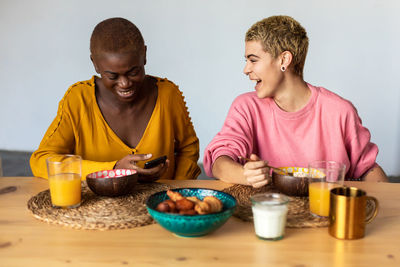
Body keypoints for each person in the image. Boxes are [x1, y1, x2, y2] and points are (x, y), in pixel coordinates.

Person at [203, 15, 388, 188]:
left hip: (325, 214)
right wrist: (245, 175)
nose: (246, 69)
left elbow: (367, 169)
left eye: (253, 60)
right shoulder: (245, 107)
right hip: (266, 214)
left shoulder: (340, 111)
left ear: (284, 59)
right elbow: (220, 159)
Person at [30, 17, 201, 181]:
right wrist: (113, 170)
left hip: (159, 207)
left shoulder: (167, 94)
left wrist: (177, 189)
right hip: (96, 209)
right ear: (95, 64)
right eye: (112, 76)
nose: (125, 83)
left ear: (145, 55)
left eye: (134, 72)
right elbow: (41, 161)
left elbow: (188, 148)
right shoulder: (78, 100)